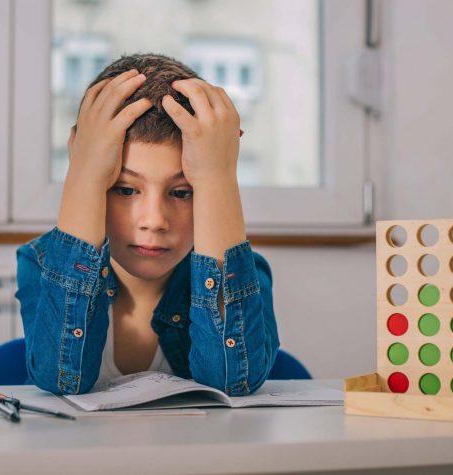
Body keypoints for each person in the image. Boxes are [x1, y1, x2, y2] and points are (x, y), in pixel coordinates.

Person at [16, 53, 279, 395]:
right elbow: (61, 379)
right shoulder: (41, 261)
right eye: (125, 189)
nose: (154, 221)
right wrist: (84, 174)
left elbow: (232, 381)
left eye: (182, 192)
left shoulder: (247, 274)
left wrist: (217, 176)